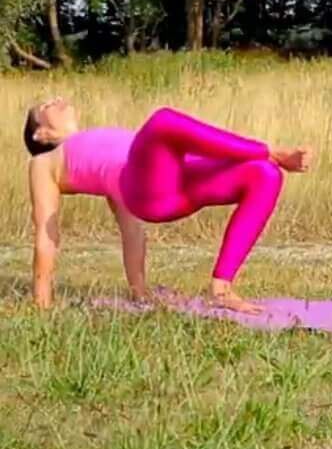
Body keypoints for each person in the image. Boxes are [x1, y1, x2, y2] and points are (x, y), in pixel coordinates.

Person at [24, 98, 312, 313]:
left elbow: (131, 230)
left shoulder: (101, 151)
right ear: (41, 134)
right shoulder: (44, 162)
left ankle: (222, 288)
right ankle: (271, 151)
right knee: (163, 121)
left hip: (176, 182)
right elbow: (46, 234)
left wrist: (140, 292)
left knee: (264, 174)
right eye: (47, 105)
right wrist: (42, 300)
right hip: (150, 194)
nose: (58, 100)